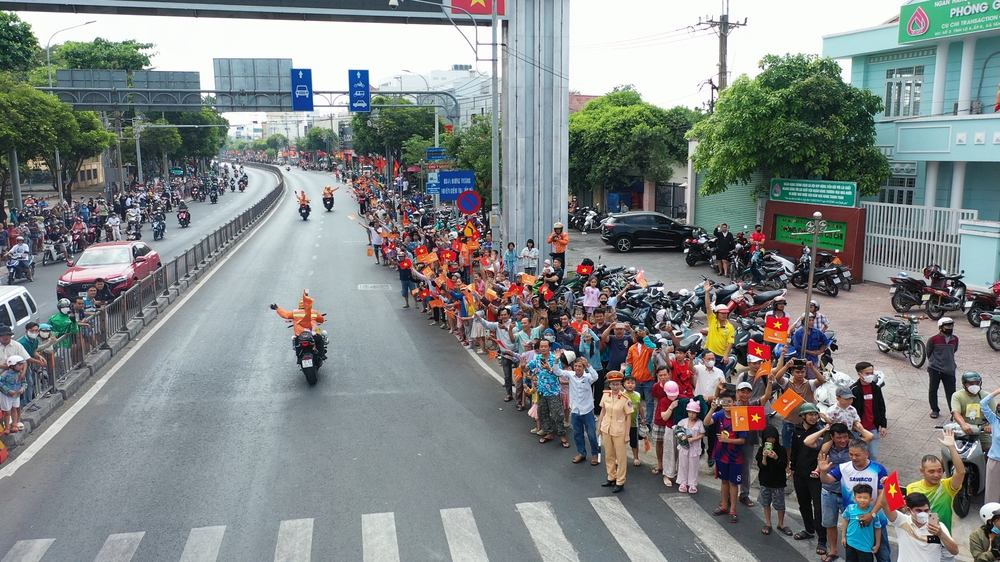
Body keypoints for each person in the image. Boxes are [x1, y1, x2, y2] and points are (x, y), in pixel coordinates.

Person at [906, 429, 966, 551]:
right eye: (931, 471)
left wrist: (951, 448)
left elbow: (961, 472)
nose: (936, 475)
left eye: (939, 471)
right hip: (920, 539)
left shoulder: (948, 486)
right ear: (922, 471)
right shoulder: (911, 488)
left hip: (942, 540)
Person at [879, 490, 959, 561]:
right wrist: (886, 486)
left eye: (926, 510)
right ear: (909, 510)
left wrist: (940, 534)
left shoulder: (938, 527)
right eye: (919, 510)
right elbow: (884, 504)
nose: (923, 513)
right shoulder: (901, 521)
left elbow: (955, 551)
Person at [705, 389, 747, 524]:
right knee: (724, 481)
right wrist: (712, 409)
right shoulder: (719, 414)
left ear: (734, 402)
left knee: (733, 483)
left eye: (729, 401)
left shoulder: (740, 416)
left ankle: (733, 510)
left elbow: (742, 440)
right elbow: (706, 423)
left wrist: (727, 440)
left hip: (735, 457)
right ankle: (724, 505)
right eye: (724, 402)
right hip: (721, 455)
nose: (727, 404)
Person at [791, 402, 827, 553]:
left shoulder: (820, 432)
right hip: (800, 475)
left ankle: (822, 539)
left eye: (816, 415)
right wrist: (792, 469)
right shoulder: (797, 430)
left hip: (815, 477)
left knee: (819, 509)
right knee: (804, 504)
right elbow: (794, 450)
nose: (814, 417)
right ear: (803, 416)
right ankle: (809, 530)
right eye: (811, 414)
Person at [522, 340, 569, 448]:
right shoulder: (537, 358)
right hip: (541, 391)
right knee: (543, 413)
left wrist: (549, 369)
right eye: (541, 346)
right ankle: (548, 433)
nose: (543, 348)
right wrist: (522, 366)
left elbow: (559, 373)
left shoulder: (555, 358)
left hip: (553, 391)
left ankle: (562, 435)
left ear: (549, 348)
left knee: (557, 414)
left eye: (545, 346)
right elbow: (527, 368)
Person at [557, 354, 600, 466]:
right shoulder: (570, 375)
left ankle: (595, 454)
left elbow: (596, 376)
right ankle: (582, 453)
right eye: (575, 366)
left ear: (584, 367)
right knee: (577, 434)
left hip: (587, 410)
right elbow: (557, 371)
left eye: (580, 366)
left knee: (591, 434)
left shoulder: (588, 377)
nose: (577, 368)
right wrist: (556, 360)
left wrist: (588, 365)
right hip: (575, 410)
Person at [598, 370, 634, 493]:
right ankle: (611, 476)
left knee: (621, 456)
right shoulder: (605, 395)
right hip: (606, 428)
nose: (615, 387)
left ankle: (620, 481)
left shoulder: (625, 398)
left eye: (617, 384)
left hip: (619, 430)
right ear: (609, 385)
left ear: (621, 385)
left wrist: (627, 434)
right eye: (613, 384)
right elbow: (603, 411)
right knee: (609, 454)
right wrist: (599, 427)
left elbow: (629, 416)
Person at [757, 425, 792, 537]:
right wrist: (764, 457)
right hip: (765, 481)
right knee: (766, 502)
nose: (771, 441)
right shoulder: (761, 450)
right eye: (768, 438)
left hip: (778, 482)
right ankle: (768, 523)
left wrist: (776, 457)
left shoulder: (781, 450)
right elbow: (762, 466)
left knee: (780, 504)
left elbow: (783, 465)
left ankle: (781, 523)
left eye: (772, 438)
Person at [269, 293, 327, 360]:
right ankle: (322, 355)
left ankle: (299, 359)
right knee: (320, 339)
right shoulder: (313, 312)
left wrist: (277, 308)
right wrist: (322, 320)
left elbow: (285, 315)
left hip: (300, 336)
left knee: (297, 344)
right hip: (312, 335)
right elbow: (321, 320)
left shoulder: (295, 313)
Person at [852, 362, 888, 462]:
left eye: (872, 373)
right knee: (858, 456)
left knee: (873, 456)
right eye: (867, 373)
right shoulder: (854, 390)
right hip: (858, 430)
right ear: (859, 374)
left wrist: (883, 425)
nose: (870, 375)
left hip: (873, 428)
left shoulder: (876, 388)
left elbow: (881, 406)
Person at [952, 371, 993, 453]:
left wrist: (991, 425)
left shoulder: (986, 396)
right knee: (950, 451)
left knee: (990, 450)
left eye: (977, 383)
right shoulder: (957, 395)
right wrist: (963, 425)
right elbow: (956, 413)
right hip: (961, 430)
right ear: (964, 384)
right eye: (971, 384)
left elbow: (995, 413)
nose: (975, 386)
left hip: (981, 431)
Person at [840, 483, 882, 562]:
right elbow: (845, 521)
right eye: (859, 497)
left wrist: (877, 544)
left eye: (865, 498)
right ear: (854, 498)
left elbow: (878, 528)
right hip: (850, 543)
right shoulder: (850, 509)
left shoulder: (873, 514)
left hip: (865, 547)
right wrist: (843, 537)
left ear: (871, 499)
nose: (862, 500)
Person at [927, 316, 959, 419]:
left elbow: (954, 350)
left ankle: (954, 413)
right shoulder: (933, 339)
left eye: (951, 325)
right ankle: (935, 409)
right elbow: (929, 352)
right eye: (947, 326)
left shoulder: (955, 339)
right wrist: (935, 363)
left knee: (951, 393)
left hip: (950, 369)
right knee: (933, 390)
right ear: (941, 327)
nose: (950, 328)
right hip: (935, 369)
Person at [702, 281, 736, 374]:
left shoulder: (730, 327)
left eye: (726, 313)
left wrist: (726, 356)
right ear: (717, 314)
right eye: (722, 313)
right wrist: (707, 292)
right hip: (708, 353)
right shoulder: (712, 320)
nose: (724, 315)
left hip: (720, 356)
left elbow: (730, 343)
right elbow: (707, 306)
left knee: (719, 377)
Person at [675, 400, 705, 494]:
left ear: (697, 413)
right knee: (683, 464)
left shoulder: (699, 423)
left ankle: (692, 483)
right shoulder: (683, 421)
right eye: (690, 412)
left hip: (694, 448)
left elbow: (702, 434)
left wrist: (694, 439)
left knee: (693, 466)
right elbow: (677, 430)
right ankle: (682, 482)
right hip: (684, 447)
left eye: (694, 413)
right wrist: (682, 436)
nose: (691, 414)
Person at [978, 386, 1000, 503]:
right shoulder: (995, 420)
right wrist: (997, 391)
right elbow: (983, 403)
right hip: (995, 460)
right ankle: (990, 513)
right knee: (992, 492)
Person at [0, 355, 26, 435]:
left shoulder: (20, 374)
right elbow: (1, 383)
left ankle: (14, 424)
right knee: (7, 412)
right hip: (6, 396)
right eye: (19, 365)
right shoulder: (5, 374)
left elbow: (24, 383)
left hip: (16, 395)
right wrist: (8, 390)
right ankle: (7, 427)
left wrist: (22, 388)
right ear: (12, 365)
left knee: (14, 409)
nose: (21, 367)